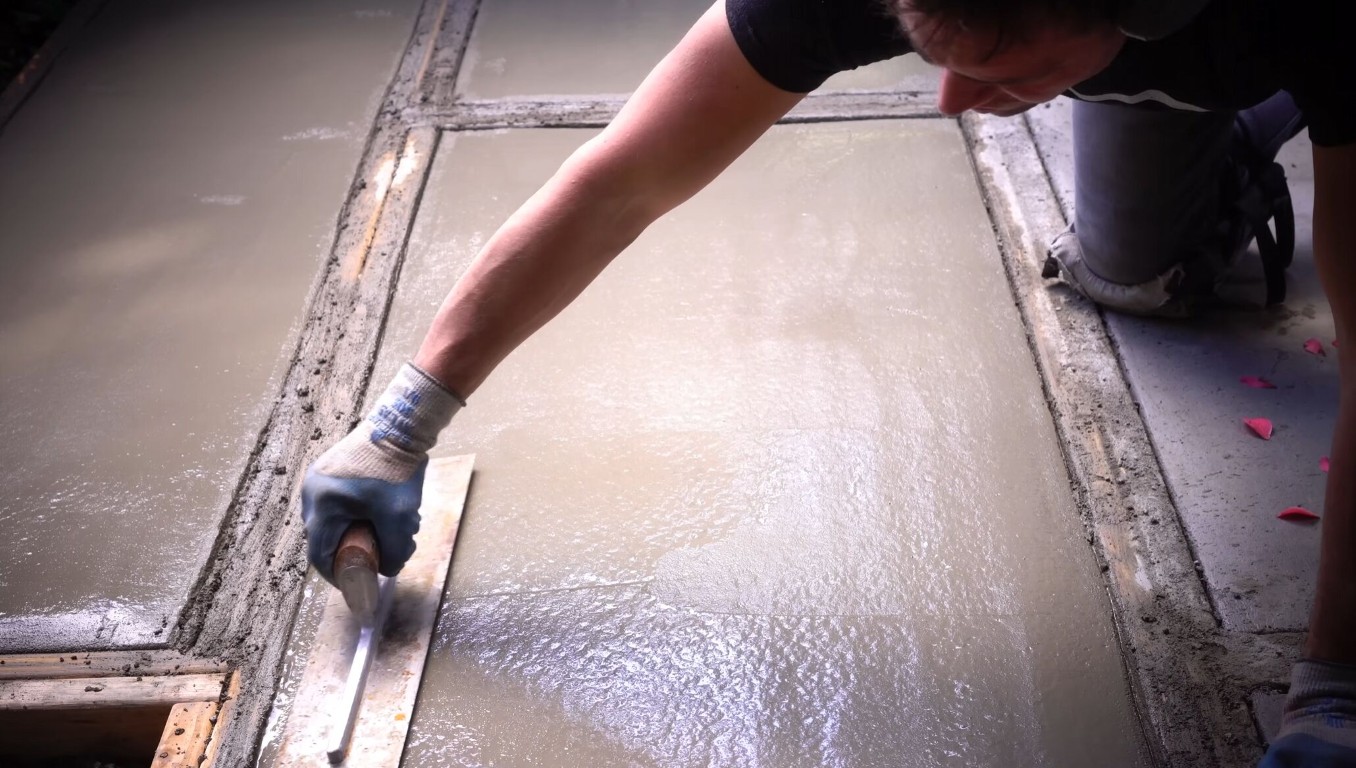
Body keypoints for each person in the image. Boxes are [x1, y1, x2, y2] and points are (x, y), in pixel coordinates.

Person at [301, 0, 1355, 763]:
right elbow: (620, 182)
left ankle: (1291, 106)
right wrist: (403, 421)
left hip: (1266, 44)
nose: (950, 101)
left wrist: (1333, 689)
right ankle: (1236, 132)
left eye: (992, 64)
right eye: (932, 51)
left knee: (1188, 175)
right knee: (1133, 268)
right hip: (1151, 54)